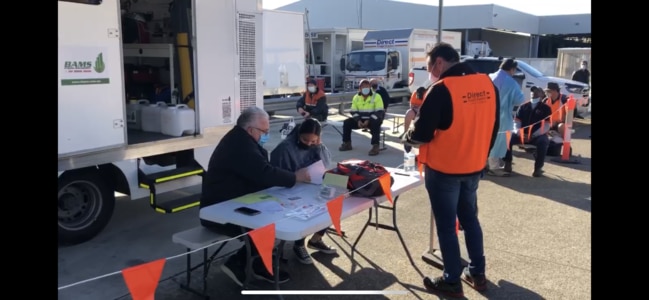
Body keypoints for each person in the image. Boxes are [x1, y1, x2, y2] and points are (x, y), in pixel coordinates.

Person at [403, 42, 500, 298]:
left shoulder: (442, 89)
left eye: (429, 67)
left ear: (438, 63)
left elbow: (421, 134)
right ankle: (477, 273)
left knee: (447, 227)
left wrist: (408, 134)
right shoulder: (487, 84)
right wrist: (481, 156)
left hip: (444, 169)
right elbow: (493, 127)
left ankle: (451, 280)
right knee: (470, 220)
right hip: (474, 166)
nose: (430, 73)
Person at [200, 106, 312, 287]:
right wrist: (294, 177)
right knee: (267, 226)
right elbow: (264, 173)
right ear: (250, 130)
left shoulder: (243, 139)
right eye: (264, 131)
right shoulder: (240, 144)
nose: (266, 135)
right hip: (219, 210)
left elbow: (261, 173)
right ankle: (237, 263)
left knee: (276, 215)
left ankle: (261, 264)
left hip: (236, 201)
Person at [269, 118, 337, 265]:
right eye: (305, 140)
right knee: (307, 207)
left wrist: (318, 146)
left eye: (313, 141)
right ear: (299, 134)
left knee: (335, 197)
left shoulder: (316, 144)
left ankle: (317, 238)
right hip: (290, 189)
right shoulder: (285, 148)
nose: (309, 144)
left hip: (312, 184)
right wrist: (295, 176)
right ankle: (299, 244)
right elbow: (275, 177)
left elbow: (326, 164)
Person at [486, 58, 525, 176]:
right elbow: (519, 100)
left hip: (486, 114)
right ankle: (494, 167)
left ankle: (485, 164)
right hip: (501, 115)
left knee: (487, 138)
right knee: (499, 140)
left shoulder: (490, 77)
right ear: (512, 69)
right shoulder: (511, 82)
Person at [503, 86, 552, 177]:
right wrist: (519, 133)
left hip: (536, 136)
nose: (534, 92)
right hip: (521, 135)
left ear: (542, 95)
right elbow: (516, 123)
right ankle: (507, 163)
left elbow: (546, 126)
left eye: (537, 91)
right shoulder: (523, 107)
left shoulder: (546, 109)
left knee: (543, 141)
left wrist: (532, 135)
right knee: (508, 136)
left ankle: (538, 168)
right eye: (532, 91)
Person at [338, 79, 386, 156]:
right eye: (363, 87)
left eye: (367, 86)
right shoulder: (356, 97)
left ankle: (375, 146)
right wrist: (358, 121)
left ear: (370, 87)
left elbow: (379, 112)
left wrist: (368, 120)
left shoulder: (376, 96)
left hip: (373, 119)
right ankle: (347, 143)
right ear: (359, 88)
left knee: (376, 123)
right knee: (347, 122)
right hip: (360, 120)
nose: (365, 89)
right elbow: (353, 111)